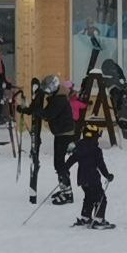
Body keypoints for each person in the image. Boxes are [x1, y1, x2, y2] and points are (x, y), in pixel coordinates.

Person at [66, 122, 114, 229]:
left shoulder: (79, 147)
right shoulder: (96, 150)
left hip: (82, 180)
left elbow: (71, 160)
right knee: (101, 198)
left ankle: (85, 218)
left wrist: (64, 170)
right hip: (93, 179)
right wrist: (107, 175)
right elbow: (101, 165)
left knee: (89, 198)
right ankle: (98, 220)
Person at [38, 74, 77, 204]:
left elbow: (48, 114)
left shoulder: (59, 99)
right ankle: (64, 188)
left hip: (64, 134)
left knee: (59, 163)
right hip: (61, 133)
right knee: (59, 162)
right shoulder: (57, 96)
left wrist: (36, 111)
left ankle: (67, 193)